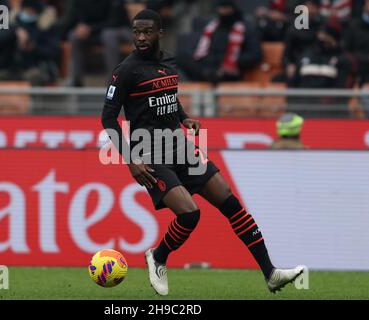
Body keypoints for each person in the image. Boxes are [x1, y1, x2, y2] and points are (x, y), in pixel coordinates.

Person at [101, 9, 303, 296]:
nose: (141, 38)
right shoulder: (125, 71)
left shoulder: (169, 61)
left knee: (231, 203)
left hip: (180, 145)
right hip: (149, 152)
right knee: (190, 214)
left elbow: (168, 97)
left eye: (147, 32)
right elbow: (108, 120)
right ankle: (158, 256)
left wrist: (183, 117)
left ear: (160, 32)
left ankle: (270, 273)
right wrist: (130, 160)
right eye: (136, 33)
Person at [177, 0, 262, 83]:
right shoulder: (211, 27)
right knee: (180, 58)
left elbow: (255, 55)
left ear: (233, 8)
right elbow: (199, 50)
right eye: (221, 8)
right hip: (206, 68)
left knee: (220, 72)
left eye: (226, 8)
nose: (223, 11)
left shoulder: (246, 28)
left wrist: (233, 62)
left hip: (229, 71)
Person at [56, 0, 131, 87]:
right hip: (96, 31)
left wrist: (90, 28)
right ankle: (76, 80)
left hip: (120, 29)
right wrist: (81, 28)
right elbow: (77, 18)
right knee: (74, 36)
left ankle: (113, 80)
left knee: (108, 35)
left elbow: (115, 21)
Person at [287, 22, 356, 118]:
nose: (322, 37)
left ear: (333, 37)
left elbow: (343, 90)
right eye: (320, 34)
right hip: (302, 111)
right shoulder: (306, 55)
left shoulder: (344, 59)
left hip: (330, 113)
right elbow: (294, 84)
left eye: (325, 35)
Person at [0, 0, 61, 86]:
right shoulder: (12, 24)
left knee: (34, 76)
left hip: (37, 68)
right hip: (13, 69)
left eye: (31, 11)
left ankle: (34, 99)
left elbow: (55, 52)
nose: (28, 13)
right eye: (26, 10)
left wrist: (33, 48)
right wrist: (14, 33)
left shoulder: (46, 28)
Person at [345, 0, 369, 118]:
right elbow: (346, 52)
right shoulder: (354, 25)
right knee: (365, 94)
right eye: (367, 4)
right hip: (356, 72)